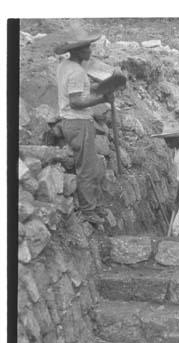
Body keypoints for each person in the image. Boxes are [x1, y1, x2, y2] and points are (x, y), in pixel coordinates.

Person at [55, 30, 113, 224]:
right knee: (87, 168)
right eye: (87, 47)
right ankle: (88, 211)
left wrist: (99, 90)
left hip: (71, 122)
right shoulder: (77, 71)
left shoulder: (65, 65)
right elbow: (76, 102)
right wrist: (102, 98)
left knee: (88, 166)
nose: (90, 50)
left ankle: (94, 205)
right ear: (78, 51)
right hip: (78, 122)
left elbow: (79, 91)